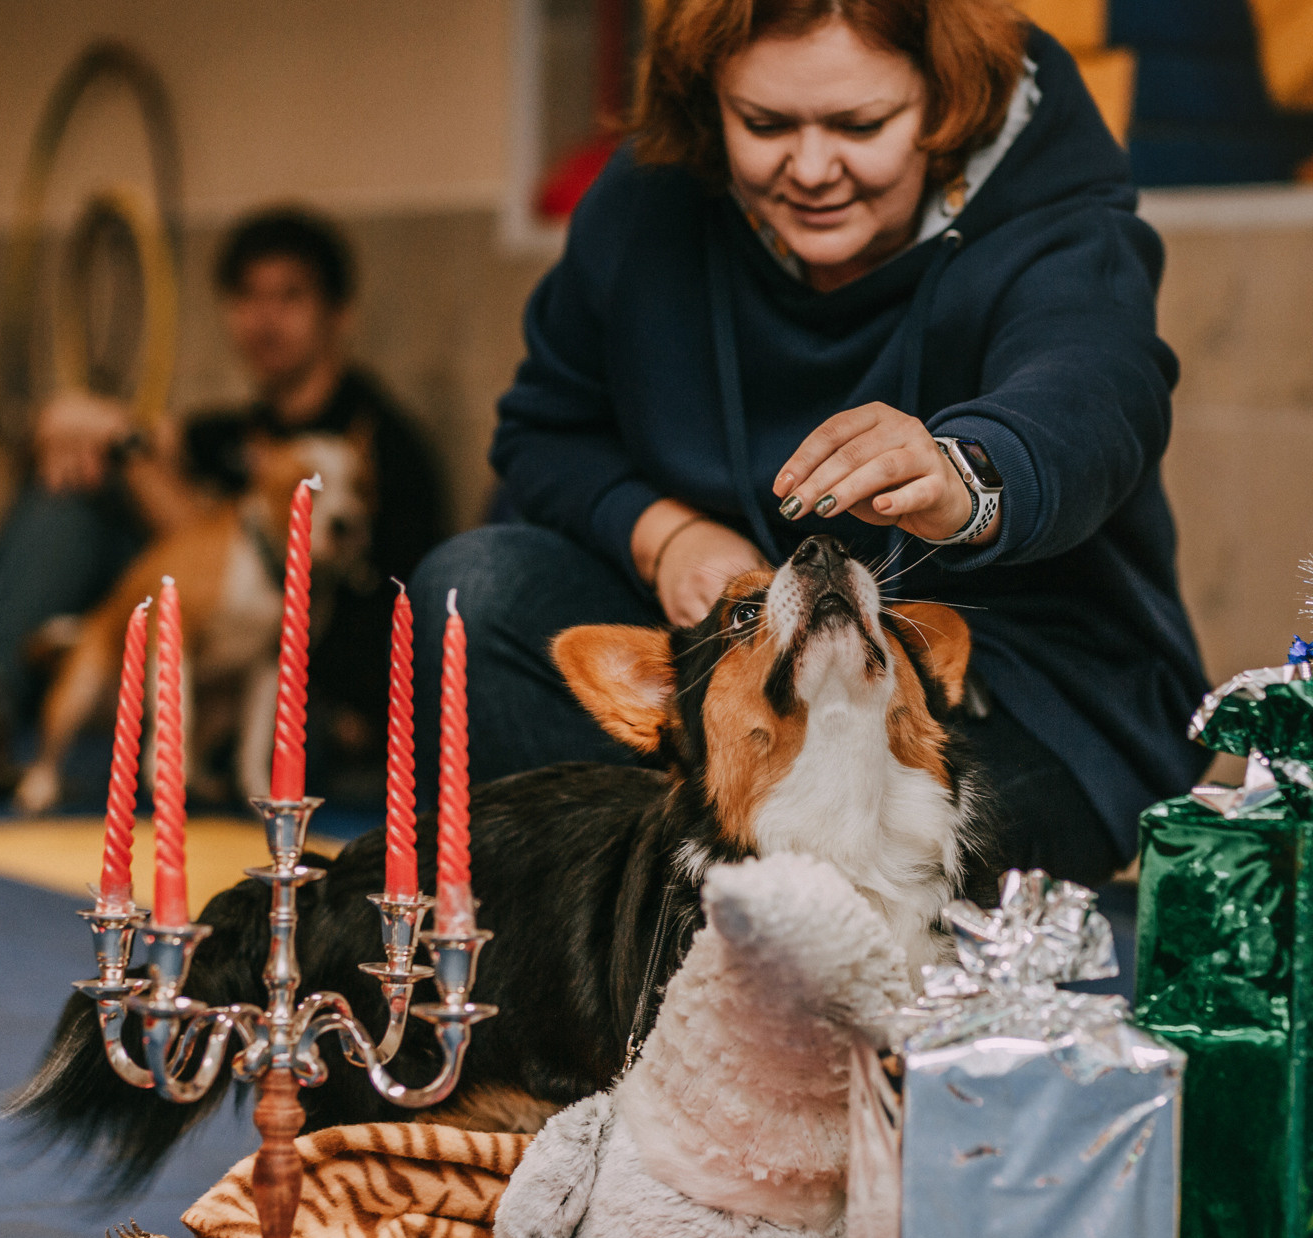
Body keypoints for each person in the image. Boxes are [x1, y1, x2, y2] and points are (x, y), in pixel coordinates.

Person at [414, 0, 1208, 892]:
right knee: (475, 591)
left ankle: (699, 923)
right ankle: (595, 958)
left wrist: (966, 476)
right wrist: (664, 534)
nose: (812, 168)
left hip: (1009, 702)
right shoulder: (644, 202)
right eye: (764, 124)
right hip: (740, 679)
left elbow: (1098, 390)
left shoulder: (1052, 208)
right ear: (709, 100)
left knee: (847, 855)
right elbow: (549, 426)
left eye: (862, 125)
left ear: (944, 101)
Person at [0, 207, 444, 800]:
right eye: (249, 297)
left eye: (290, 297)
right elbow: (142, 463)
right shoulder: (230, 432)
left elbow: (234, 567)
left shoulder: (380, 448)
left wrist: (121, 443)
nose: (265, 318)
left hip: (309, 695)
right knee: (77, 485)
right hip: (199, 663)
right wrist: (74, 422)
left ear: (339, 314)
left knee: (112, 462)